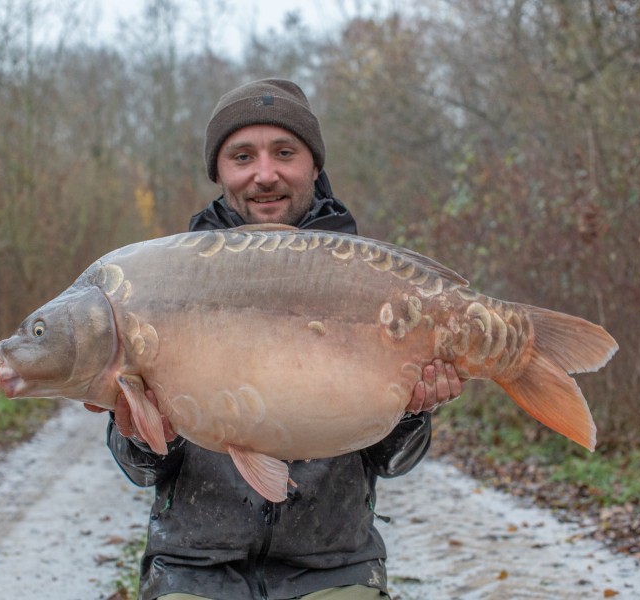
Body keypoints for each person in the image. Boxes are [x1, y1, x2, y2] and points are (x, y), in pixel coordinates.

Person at [88, 79, 464, 600]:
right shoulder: (166, 283)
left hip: (335, 566)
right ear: (219, 172)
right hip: (194, 568)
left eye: (284, 152)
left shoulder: (370, 281)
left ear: (314, 165)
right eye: (242, 156)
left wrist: (412, 409)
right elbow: (140, 470)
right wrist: (146, 428)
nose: (265, 175)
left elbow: (392, 462)